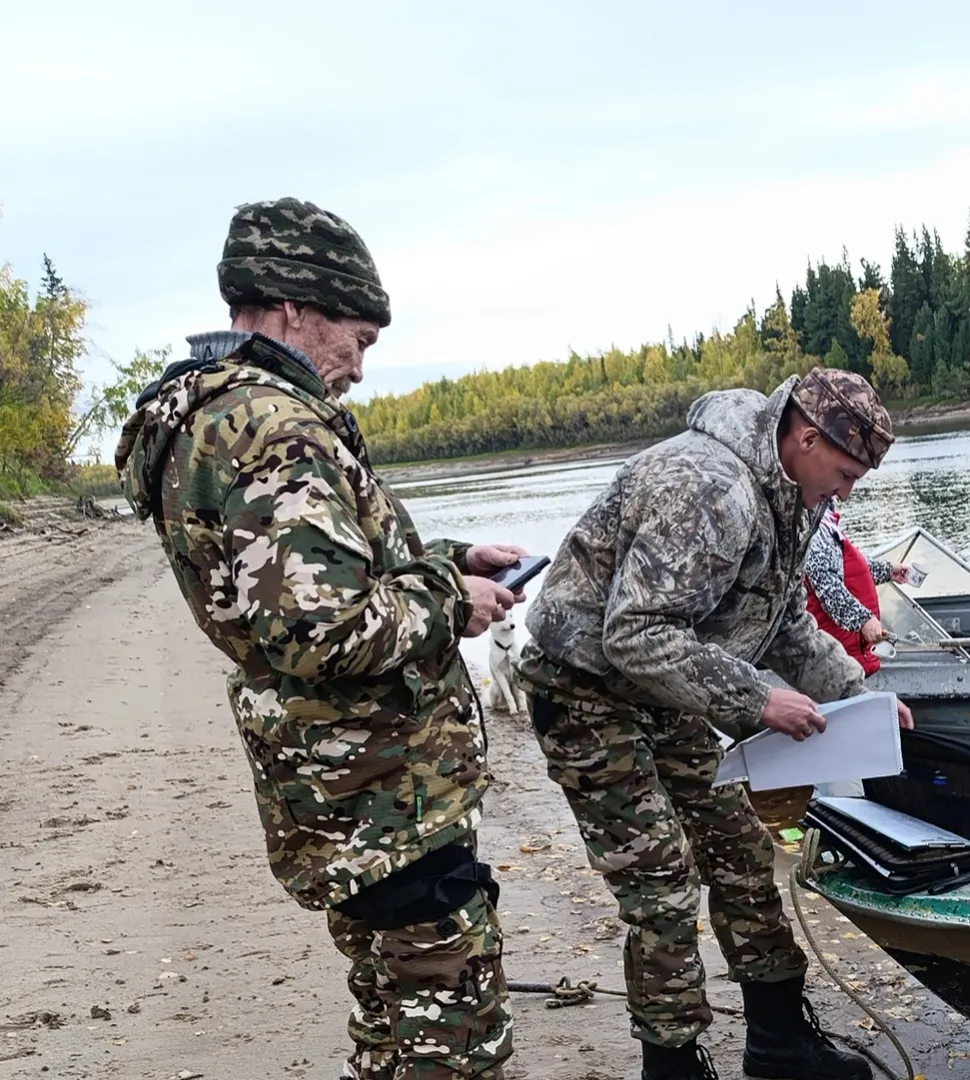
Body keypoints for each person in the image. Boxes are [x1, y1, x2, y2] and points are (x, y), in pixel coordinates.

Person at [114, 198, 521, 1080]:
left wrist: (447, 559)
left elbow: (292, 582)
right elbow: (320, 630)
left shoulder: (210, 417)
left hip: (333, 784)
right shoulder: (276, 432)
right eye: (359, 341)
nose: (360, 370)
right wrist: (456, 600)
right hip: (382, 790)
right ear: (296, 308)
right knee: (450, 1042)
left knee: (388, 1016)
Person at [515, 366, 913, 1080]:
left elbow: (785, 620)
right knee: (661, 878)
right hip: (586, 687)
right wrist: (758, 702)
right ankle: (671, 1067)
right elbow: (633, 635)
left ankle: (778, 1045)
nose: (848, 491)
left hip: (669, 687)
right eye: (846, 471)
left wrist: (860, 696)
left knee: (740, 851)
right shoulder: (708, 488)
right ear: (804, 435)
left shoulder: (791, 492)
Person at [804, 496, 910, 675]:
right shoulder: (816, 531)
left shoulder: (826, 522)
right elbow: (828, 586)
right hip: (836, 661)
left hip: (853, 654)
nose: (844, 493)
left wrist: (888, 570)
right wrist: (863, 620)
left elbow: (847, 567)